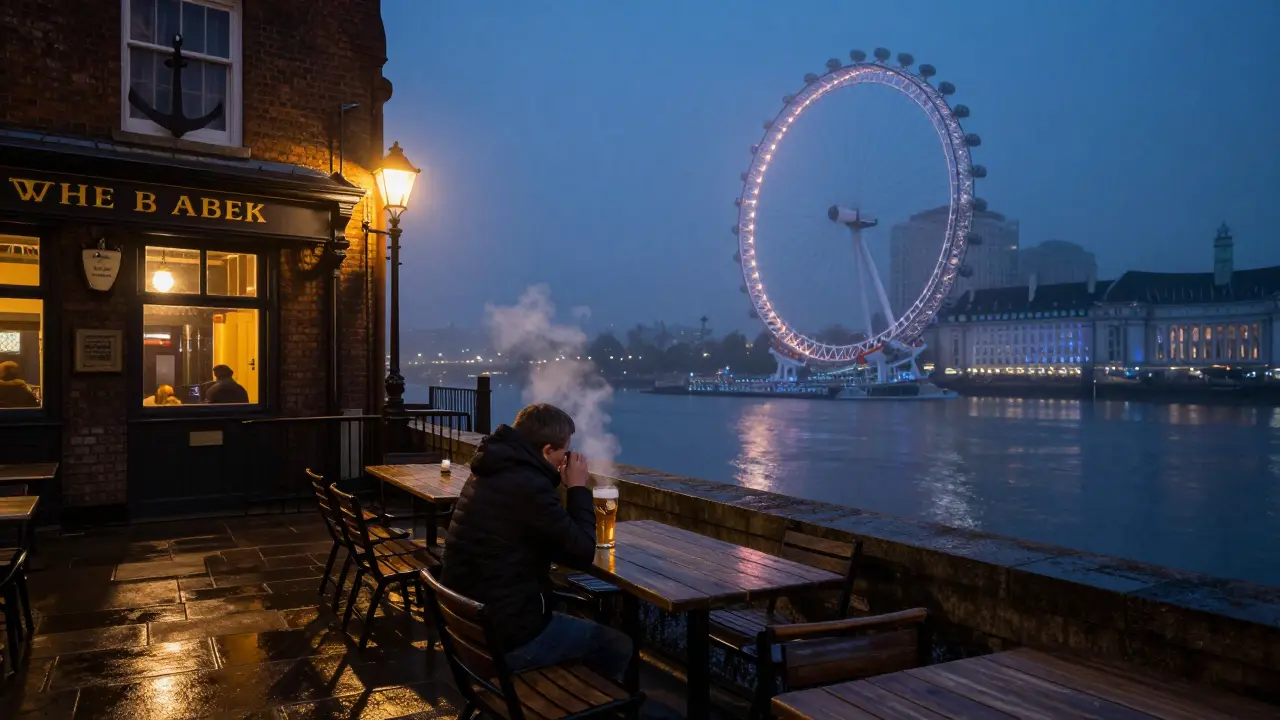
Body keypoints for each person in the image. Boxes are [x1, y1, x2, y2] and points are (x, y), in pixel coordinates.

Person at [441, 403, 631, 679]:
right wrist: (577, 488)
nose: (565, 462)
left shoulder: (492, 469)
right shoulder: (528, 486)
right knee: (616, 645)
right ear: (546, 451)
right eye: (564, 453)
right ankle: (587, 707)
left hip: (468, 627)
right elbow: (581, 553)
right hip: (506, 640)